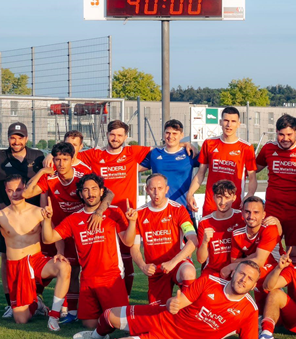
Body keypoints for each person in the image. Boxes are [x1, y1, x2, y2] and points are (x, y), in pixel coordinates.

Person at [64, 120, 195, 294]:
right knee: (99, 258)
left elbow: (164, 148)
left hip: (127, 215)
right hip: (103, 214)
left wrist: (184, 143)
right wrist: (51, 155)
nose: (115, 138)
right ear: (107, 135)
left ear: (126, 137)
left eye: (119, 135)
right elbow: (68, 156)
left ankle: (124, 298)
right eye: (112, 134)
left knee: (129, 257)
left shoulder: (132, 152)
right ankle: (87, 300)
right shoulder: (95, 155)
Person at [23, 142, 113, 323]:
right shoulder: (51, 178)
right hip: (63, 231)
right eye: (57, 159)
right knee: (71, 269)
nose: (61, 163)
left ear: (73, 159)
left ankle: (102, 307)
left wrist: (99, 212)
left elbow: (109, 193)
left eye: (65, 159)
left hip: (85, 228)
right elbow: (25, 193)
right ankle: (72, 312)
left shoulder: (82, 177)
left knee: (92, 269)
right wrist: (41, 172)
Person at [41, 174, 137, 339]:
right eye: (85, 190)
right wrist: (46, 220)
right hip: (87, 280)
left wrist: (133, 222)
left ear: (101, 191)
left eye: (94, 189)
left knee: (121, 323)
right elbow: (48, 238)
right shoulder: (74, 218)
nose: (90, 193)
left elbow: (128, 242)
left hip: (111, 277)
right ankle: (103, 323)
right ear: (80, 194)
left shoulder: (114, 212)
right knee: (88, 324)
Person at [0, 174, 71, 331]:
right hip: (16, 266)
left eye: (19, 189)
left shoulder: (38, 212)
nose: (15, 194)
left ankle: (54, 315)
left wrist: (60, 252)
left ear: (25, 189)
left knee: (64, 267)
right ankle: (37, 304)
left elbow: (55, 234)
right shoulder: (0, 215)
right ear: (6, 191)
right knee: (20, 320)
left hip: (36, 260)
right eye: (10, 190)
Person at [92, 260, 261, 339]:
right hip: (164, 320)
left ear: (253, 286)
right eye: (241, 273)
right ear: (233, 273)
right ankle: (95, 337)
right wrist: (173, 303)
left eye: (249, 278)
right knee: (108, 316)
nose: (243, 279)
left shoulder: (250, 311)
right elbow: (181, 302)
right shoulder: (210, 281)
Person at [0, 122, 45, 318]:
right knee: (6, 258)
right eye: (13, 137)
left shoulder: (38, 156)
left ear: (26, 139)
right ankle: (11, 301)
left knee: (36, 257)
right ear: (8, 138)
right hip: (6, 216)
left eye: (20, 137)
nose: (16, 141)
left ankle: (37, 298)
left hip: (34, 216)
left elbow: (50, 168)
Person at [131, 174, 199, 305]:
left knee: (188, 272)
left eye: (160, 188)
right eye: (153, 189)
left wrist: (173, 262)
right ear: (146, 189)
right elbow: (134, 248)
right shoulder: (139, 214)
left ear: (167, 189)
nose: (156, 193)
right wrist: (143, 265)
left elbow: (193, 240)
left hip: (177, 263)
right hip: (155, 269)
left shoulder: (178, 209)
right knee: (158, 314)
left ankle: (189, 309)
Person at [255, 114, 296, 264]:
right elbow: (252, 168)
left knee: (294, 256)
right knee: (267, 253)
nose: (285, 138)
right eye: (281, 134)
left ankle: (295, 288)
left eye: (289, 134)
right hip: (273, 209)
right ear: (276, 132)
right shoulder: (268, 148)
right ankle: (268, 288)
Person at [187, 106, 258, 216]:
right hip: (211, 204)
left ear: (238, 124)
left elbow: (252, 177)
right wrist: (190, 194)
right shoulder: (209, 143)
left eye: (233, 121)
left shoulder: (246, 148)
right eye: (226, 120)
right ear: (220, 122)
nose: (229, 125)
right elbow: (200, 173)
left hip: (235, 204)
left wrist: (250, 194)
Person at [222, 196, 284, 310]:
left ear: (263, 215)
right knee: (236, 274)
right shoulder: (237, 233)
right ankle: (234, 310)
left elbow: (259, 261)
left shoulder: (270, 228)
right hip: (257, 265)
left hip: (277, 265)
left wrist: (231, 266)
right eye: (247, 212)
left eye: (256, 212)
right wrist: (234, 265)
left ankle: (268, 311)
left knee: (255, 274)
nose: (251, 216)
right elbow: (235, 261)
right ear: (242, 213)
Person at [139, 119, 199, 221]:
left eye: (175, 133)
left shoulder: (189, 153)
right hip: (159, 210)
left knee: (190, 236)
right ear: (163, 134)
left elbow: (208, 166)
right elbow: (134, 169)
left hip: (184, 209)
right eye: (168, 133)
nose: (170, 136)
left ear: (181, 135)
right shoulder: (155, 153)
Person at [196, 180, 244, 277]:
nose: (222, 202)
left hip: (237, 271)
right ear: (213, 197)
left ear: (234, 198)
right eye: (219, 197)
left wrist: (275, 221)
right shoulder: (204, 222)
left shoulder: (242, 217)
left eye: (227, 197)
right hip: (213, 272)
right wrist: (205, 241)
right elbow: (201, 259)